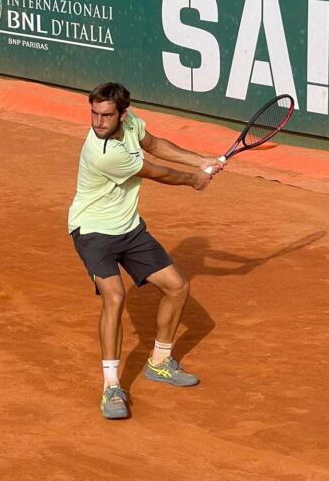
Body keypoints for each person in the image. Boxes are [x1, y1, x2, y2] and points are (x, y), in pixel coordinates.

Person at [68, 81, 224, 419]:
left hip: (129, 228)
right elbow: (156, 172)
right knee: (115, 296)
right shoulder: (103, 152)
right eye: (94, 114)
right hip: (93, 231)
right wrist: (194, 179)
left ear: (123, 114)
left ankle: (160, 362)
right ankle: (111, 386)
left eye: (106, 115)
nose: (98, 122)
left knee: (177, 287)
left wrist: (201, 160)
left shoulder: (131, 124)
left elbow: (154, 145)